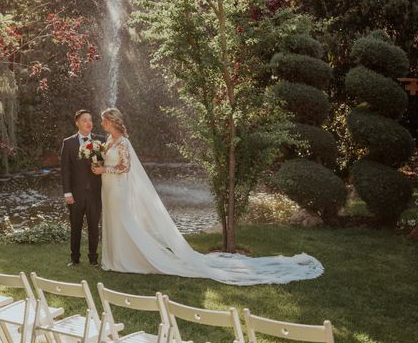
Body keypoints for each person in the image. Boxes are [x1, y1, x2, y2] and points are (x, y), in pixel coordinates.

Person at [91, 107, 324, 285]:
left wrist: (104, 169)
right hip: (108, 188)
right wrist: (98, 163)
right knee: (112, 221)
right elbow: (108, 161)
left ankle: (126, 258)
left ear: (112, 121)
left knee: (123, 222)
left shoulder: (123, 142)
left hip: (118, 187)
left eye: (103, 120)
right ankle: (112, 259)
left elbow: (125, 168)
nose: (101, 123)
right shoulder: (109, 140)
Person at [60, 109, 107, 267]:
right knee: (76, 227)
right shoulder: (69, 143)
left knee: (94, 227)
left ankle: (93, 259)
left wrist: (99, 164)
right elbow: (65, 171)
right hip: (76, 194)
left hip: (95, 193)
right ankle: (74, 259)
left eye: (90, 120)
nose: (89, 123)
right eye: (85, 120)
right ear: (77, 123)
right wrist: (67, 193)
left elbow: (104, 164)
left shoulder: (101, 140)